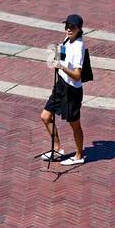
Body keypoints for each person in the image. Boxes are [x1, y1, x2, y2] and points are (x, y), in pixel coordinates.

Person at [40, 13, 88, 166]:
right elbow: (63, 54)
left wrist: (61, 67)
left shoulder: (79, 47)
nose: (68, 29)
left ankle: (79, 155)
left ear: (79, 29)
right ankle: (57, 148)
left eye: (72, 27)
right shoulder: (68, 39)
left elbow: (77, 75)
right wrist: (57, 54)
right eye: (66, 26)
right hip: (60, 85)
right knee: (45, 116)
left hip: (71, 91)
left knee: (75, 124)